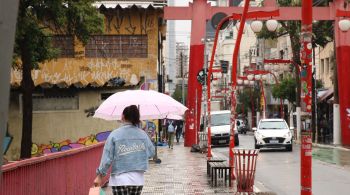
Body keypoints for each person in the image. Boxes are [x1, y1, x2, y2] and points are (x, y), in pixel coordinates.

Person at [94, 105, 155, 195]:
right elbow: (151, 152)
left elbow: (107, 158)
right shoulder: (143, 134)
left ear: (123, 116)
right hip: (137, 180)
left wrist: (100, 175)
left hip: (119, 180)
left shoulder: (114, 135)